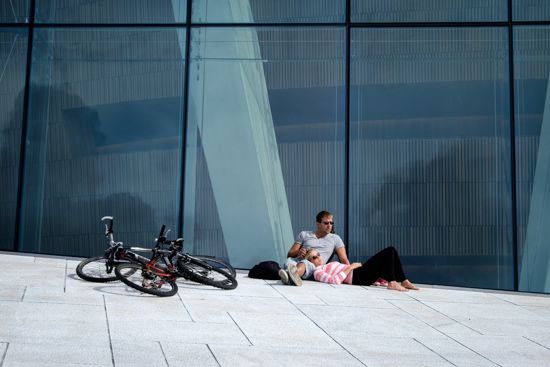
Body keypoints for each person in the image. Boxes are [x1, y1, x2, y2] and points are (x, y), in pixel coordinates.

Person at [279, 210, 350, 287]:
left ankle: (288, 275)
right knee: (289, 261)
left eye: (331, 223)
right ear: (318, 224)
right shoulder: (304, 234)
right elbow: (290, 254)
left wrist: (350, 274)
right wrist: (298, 253)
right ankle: (290, 274)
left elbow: (344, 260)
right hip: (299, 259)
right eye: (326, 223)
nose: (329, 225)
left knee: (305, 264)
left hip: (315, 265)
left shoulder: (335, 238)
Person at [307, 247, 420, 291]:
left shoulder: (325, 265)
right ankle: (393, 282)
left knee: (392, 252)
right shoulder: (317, 271)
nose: (318, 257)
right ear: (310, 261)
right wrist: (351, 266)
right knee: (389, 251)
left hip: (359, 273)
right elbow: (334, 281)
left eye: (317, 254)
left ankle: (404, 281)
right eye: (314, 257)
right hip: (357, 276)